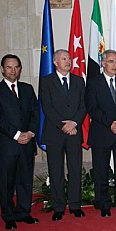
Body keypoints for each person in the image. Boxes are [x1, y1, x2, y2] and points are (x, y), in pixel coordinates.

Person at [0, 54, 40, 230]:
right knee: (7, 182)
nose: (13, 70)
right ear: (3, 69)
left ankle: (24, 212)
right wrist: (17, 134)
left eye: (16, 67)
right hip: (8, 145)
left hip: (27, 142)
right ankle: (8, 216)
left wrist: (31, 133)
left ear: (20, 69)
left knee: (25, 180)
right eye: (9, 67)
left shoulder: (27, 88)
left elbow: (35, 112)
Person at [39, 49, 87, 221]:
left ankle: (75, 204)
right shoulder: (46, 81)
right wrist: (63, 125)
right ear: (55, 62)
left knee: (75, 169)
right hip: (54, 133)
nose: (68, 61)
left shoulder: (79, 81)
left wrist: (74, 123)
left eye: (69, 58)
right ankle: (58, 206)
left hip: (74, 131)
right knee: (56, 170)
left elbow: (84, 105)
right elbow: (47, 107)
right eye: (64, 58)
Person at [86, 50, 116, 216]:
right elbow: (92, 108)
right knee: (101, 171)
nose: (115, 65)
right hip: (102, 133)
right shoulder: (93, 83)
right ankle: (103, 204)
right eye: (111, 61)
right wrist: (111, 124)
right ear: (103, 63)